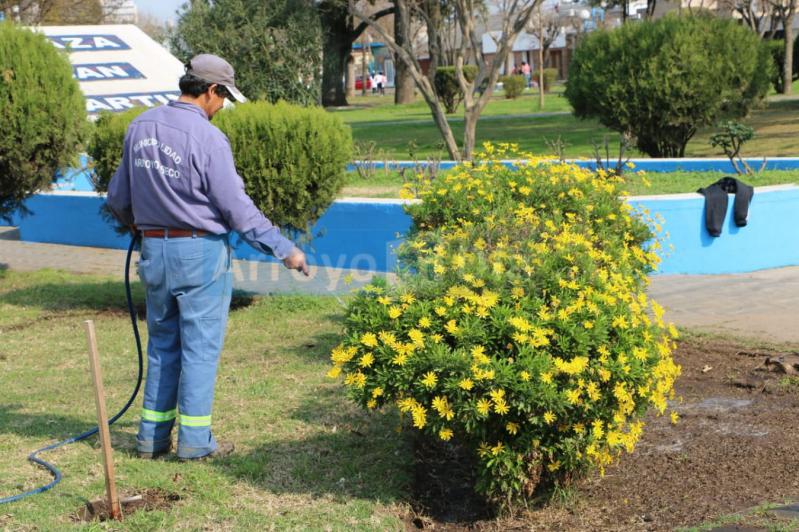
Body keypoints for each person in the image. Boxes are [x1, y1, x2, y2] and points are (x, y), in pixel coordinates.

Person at [106, 54, 309, 461]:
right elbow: (238, 210)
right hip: (199, 253)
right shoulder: (208, 138)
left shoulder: (140, 126)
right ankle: (195, 442)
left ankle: (151, 439)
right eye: (224, 98)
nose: (222, 106)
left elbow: (117, 198)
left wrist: (143, 227)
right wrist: (283, 249)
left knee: (162, 345)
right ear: (211, 90)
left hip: (154, 252)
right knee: (200, 349)